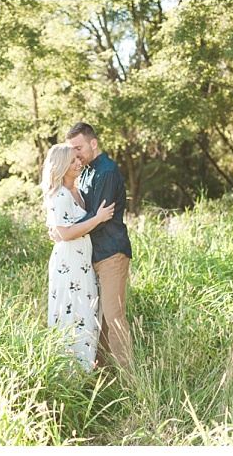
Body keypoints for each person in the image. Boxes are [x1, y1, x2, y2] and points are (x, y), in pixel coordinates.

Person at [62, 122, 134, 373]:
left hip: (111, 253)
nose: (76, 154)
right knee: (98, 319)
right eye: (72, 149)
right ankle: (101, 377)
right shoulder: (86, 170)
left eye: (79, 147)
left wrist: (65, 230)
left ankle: (131, 380)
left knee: (114, 317)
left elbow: (97, 216)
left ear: (94, 143)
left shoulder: (106, 171)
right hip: (92, 255)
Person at [41, 144, 115, 371]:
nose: (78, 163)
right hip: (69, 263)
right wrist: (98, 218)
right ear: (62, 165)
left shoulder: (78, 191)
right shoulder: (59, 195)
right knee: (71, 312)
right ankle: (68, 373)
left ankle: (84, 371)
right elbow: (65, 233)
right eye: (73, 160)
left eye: (78, 159)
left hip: (83, 263)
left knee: (86, 313)